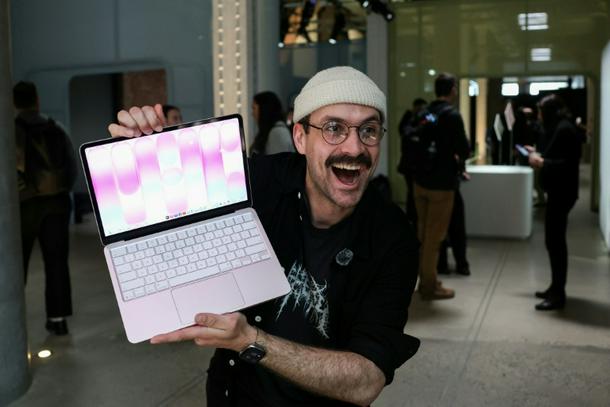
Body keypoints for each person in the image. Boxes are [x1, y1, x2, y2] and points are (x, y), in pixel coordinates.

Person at [108, 66, 420, 406]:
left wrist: (249, 340)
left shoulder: (393, 237)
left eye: (369, 131)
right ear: (300, 137)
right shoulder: (262, 181)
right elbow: (166, 207)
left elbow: (367, 380)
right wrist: (141, 149)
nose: (355, 148)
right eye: (334, 128)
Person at [14, 81, 77, 336]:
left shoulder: (10, 131)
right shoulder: (56, 127)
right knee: (56, 262)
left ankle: (13, 320)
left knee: (17, 264)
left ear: (14, 103)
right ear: (37, 99)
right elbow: (72, 167)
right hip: (57, 204)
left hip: (23, 206)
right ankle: (57, 319)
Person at [412, 73, 470, 300]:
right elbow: (464, 149)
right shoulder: (452, 116)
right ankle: (428, 286)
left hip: (420, 182)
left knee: (423, 235)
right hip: (441, 185)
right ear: (452, 89)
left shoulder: (426, 112)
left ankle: (427, 279)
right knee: (434, 238)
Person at [525, 94, 584, 311]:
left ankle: (558, 294)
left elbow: (566, 165)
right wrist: (538, 154)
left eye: (541, 112)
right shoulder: (560, 128)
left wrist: (542, 162)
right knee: (553, 242)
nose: (539, 116)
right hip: (559, 192)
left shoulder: (565, 130)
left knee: (556, 243)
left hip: (562, 192)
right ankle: (555, 287)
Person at [397, 98, 427, 226]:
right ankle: (412, 217)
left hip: (418, 164)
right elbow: (404, 131)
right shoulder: (408, 118)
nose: (421, 112)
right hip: (409, 164)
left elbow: (434, 122)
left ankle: (414, 216)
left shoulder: (425, 118)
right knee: (412, 192)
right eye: (420, 109)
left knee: (414, 192)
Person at [249, 91, 295, 157]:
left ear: (263, 109)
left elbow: (279, 162)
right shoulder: (273, 131)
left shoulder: (278, 132)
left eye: (254, 108)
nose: (252, 113)